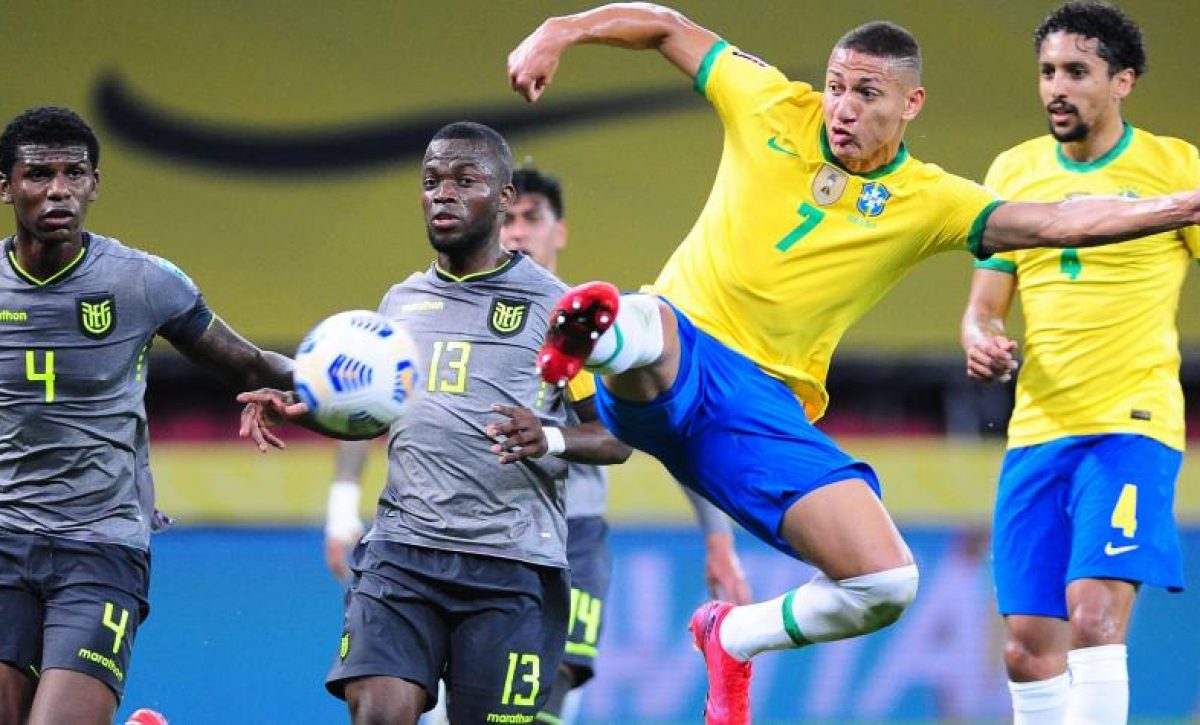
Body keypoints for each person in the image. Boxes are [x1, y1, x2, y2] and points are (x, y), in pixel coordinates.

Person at [505, 4, 1200, 722]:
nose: (842, 106)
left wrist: (1184, 206)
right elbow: (666, 25)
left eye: (867, 93)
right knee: (651, 322)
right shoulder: (770, 101)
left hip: (759, 411)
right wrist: (559, 29)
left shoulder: (932, 199)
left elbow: (1058, 222)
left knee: (887, 581)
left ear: (910, 104)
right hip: (680, 353)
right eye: (836, 86)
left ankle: (734, 634)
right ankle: (599, 333)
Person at [322, 165, 752, 723]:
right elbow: (376, 403)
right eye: (514, 217)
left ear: (560, 231)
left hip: (567, 542)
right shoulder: (425, 305)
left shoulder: (592, 323)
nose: (521, 231)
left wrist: (717, 536)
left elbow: (656, 423)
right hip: (439, 538)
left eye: (534, 218)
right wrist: (340, 510)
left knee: (545, 708)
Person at [240, 122, 633, 725]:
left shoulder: (556, 308)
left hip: (510, 566)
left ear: (504, 198)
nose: (442, 194)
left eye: (464, 180)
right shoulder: (398, 305)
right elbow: (378, 418)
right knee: (377, 709)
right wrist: (311, 411)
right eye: (431, 181)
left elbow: (612, 436)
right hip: (405, 554)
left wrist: (547, 436)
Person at [0, 106, 297, 724]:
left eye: (74, 173)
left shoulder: (142, 282)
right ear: (6, 187)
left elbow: (248, 364)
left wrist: (340, 393)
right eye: (38, 175)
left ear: (95, 184)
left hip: (101, 547)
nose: (59, 189)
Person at [960, 4, 1197, 723]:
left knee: (1093, 615)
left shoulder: (1174, 166)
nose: (1056, 88)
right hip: (1037, 430)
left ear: (1122, 80)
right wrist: (980, 334)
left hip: (1132, 425)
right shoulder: (1014, 170)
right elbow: (985, 304)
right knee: (1027, 648)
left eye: (1076, 72)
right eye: (1047, 72)